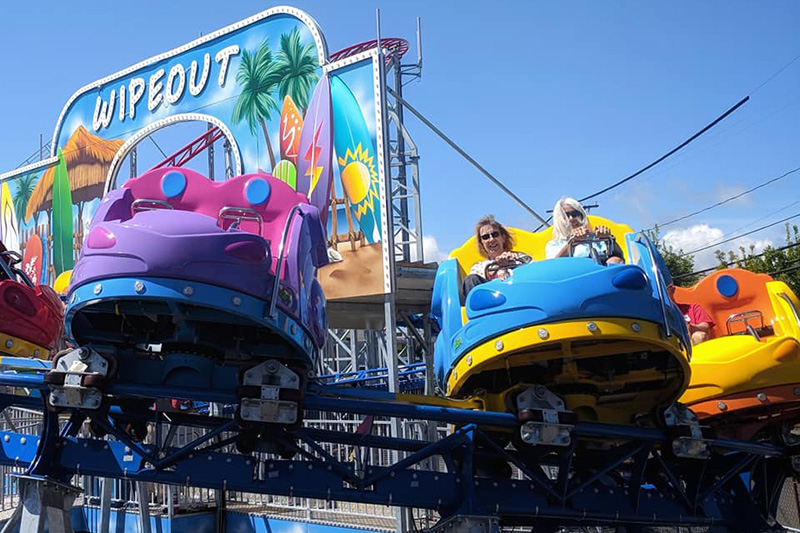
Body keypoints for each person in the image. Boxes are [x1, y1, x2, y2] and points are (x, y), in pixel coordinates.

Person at [462, 215, 532, 295]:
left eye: (495, 234)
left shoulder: (520, 256)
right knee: (471, 279)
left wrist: (512, 263)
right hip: (491, 300)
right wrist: (495, 267)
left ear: (503, 237)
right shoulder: (479, 268)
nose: (491, 239)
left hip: (517, 293)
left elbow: (532, 272)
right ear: (482, 243)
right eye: (486, 237)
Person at [545, 197, 624, 265]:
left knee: (615, 261)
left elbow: (620, 257)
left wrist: (609, 239)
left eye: (575, 214)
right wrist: (572, 242)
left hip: (600, 277)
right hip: (573, 278)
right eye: (566, 215)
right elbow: (554, 266)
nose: (571, 218)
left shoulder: (597, 239)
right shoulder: (554, 245)